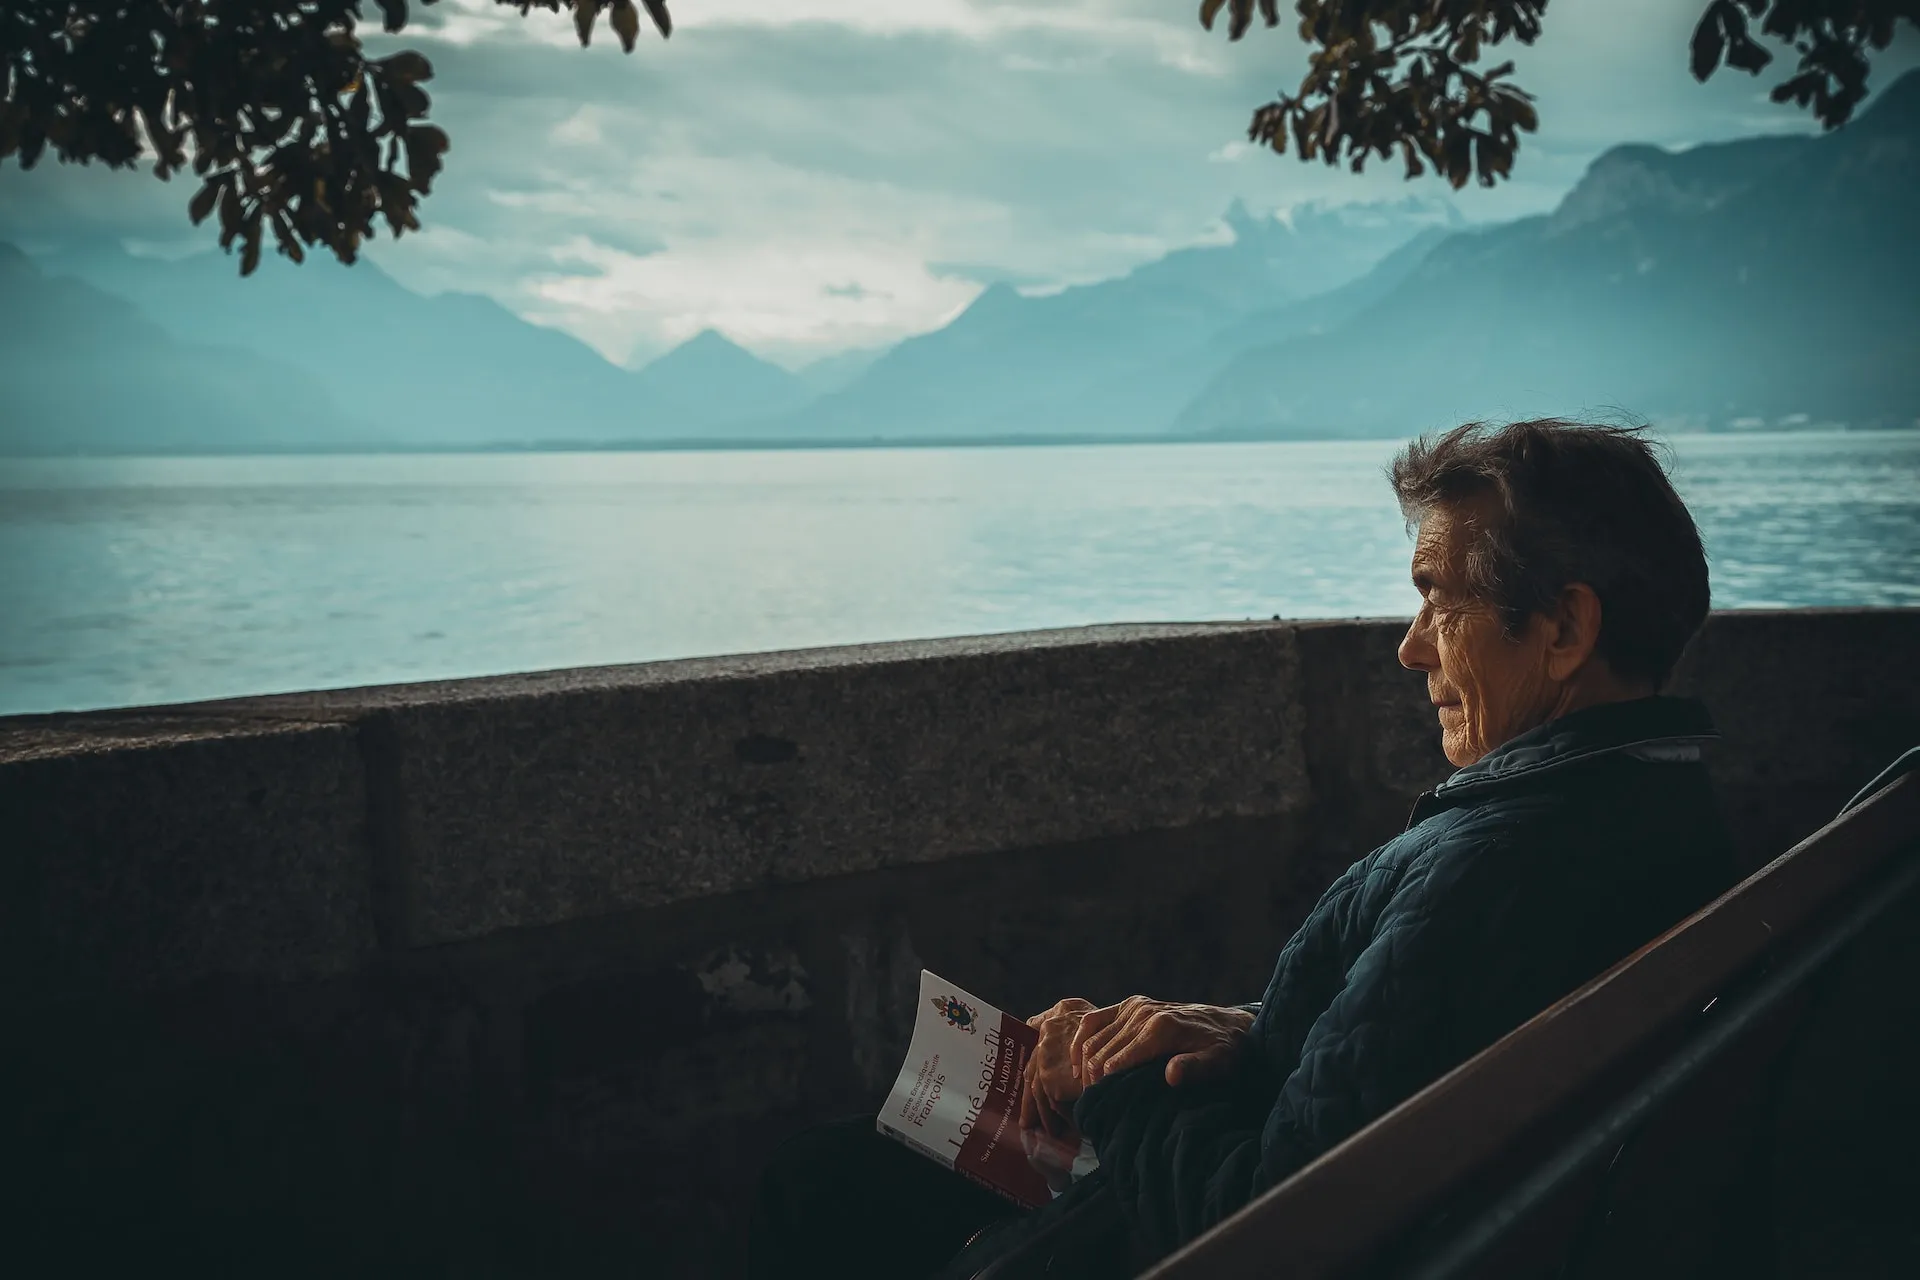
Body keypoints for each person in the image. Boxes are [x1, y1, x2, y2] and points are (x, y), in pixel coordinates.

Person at [747, 419, 1736, 1280]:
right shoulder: (1651, 807)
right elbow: (1402, 1045)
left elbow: (1274, 1222)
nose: (1412, 646)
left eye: (1440, 597)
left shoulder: (1498, 865)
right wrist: (1238, 1029)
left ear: (1564, 627)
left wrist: (1104, 1079)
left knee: (820, 1183)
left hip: (1184, 1232)